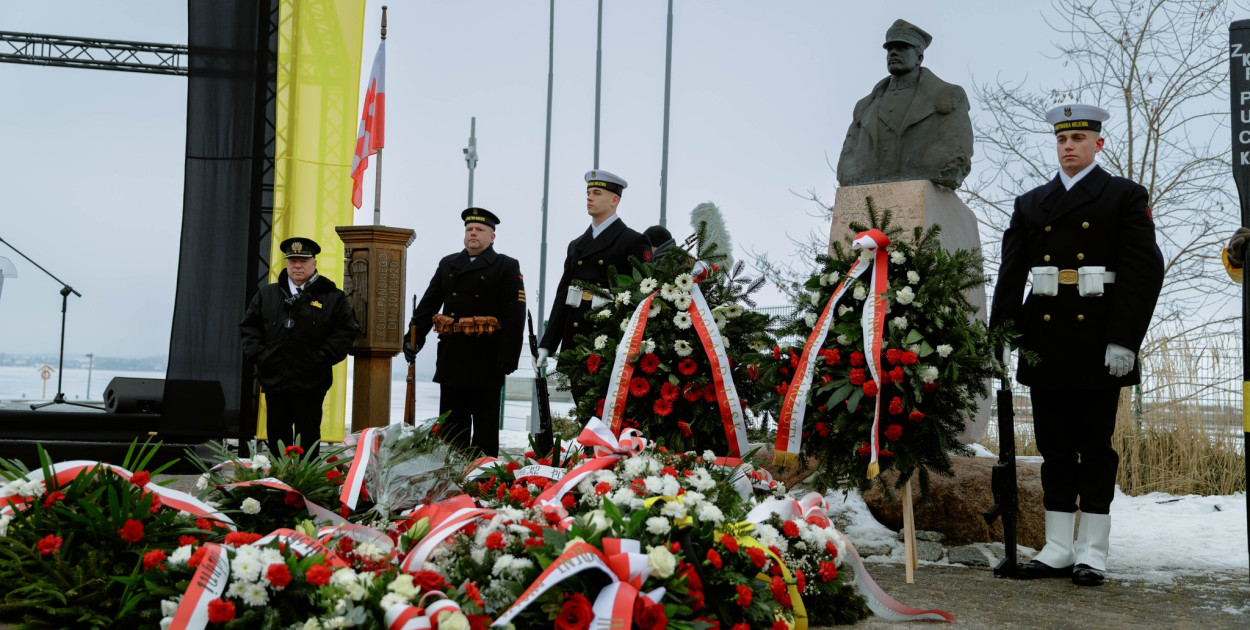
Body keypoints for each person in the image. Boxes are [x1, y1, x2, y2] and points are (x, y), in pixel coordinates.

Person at [989, 104, 1164, 587]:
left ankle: (1093, 551)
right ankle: (1059, 547)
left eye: (1080, 139)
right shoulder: (1031, 203)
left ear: (1098, 144)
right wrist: (1000, 336)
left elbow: (1144, 272)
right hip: (1045, 339)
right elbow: (1010, 275)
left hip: (1098, 340)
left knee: (1094, 447)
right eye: (1063, 141)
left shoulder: (1124, 196)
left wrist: (1125, 339)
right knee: (1054, 448)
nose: (1069, 147)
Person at [403, 208, 525, 457]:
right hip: (453, 355)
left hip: (488, 358)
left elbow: (515, 314)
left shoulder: (506, 266)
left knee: (485, 426)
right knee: (451, 428)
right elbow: (428, 304)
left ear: (492, 237)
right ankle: (451, 479)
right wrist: (414, 336)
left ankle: (483, 478)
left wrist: (509, 354)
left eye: (480, 230)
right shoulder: (448, 264)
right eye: (469, 229)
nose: (473, 233)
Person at [534, 170, 651, 395]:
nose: (589, 197)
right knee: (584, 418)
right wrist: (547, 344)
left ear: (614, 200)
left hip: (610, 345)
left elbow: (641, 298)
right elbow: (563, 297)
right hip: (577, 343)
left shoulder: (633, 241)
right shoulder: (577, 245)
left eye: (597, 193)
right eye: (588, 192)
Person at [241, 237, 359, 457]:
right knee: (277, 441)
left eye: (303, 261)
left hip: (311, 384)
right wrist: (262, 357)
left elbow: (343, 334)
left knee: (308, 441)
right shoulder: (266, 295)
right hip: (276, 383)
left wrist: (320, 358)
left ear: (314, 263)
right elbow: (249, 329)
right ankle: (279, 486)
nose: (297, 265)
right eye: (292, 260)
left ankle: (307, 488)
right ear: (286, 264)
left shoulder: (333, 297)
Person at [836, 19, 974, 190]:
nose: (893, 53)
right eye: (890, 49)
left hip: (921, 190)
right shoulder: (864, 106)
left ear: (919, 57)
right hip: (866, 193)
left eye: (902, 48)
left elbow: (956, 149)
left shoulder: (947, 95)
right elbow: (848, 155)